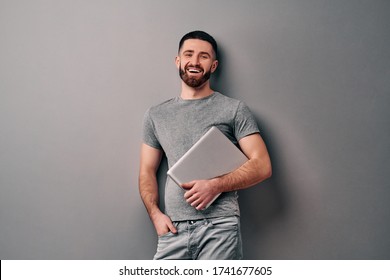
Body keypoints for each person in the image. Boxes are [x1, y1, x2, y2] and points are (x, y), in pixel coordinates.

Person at [139, 30, 272, 260]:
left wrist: (216, 185)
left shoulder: (234, 109)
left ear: (213, 65)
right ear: (178, 61)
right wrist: (155, 215)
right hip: (173, 230)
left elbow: (262, 166)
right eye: (189, 54)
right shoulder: (156, 115)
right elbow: (146, 171)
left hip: (219, 227)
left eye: (204, 56)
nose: (195, 61)